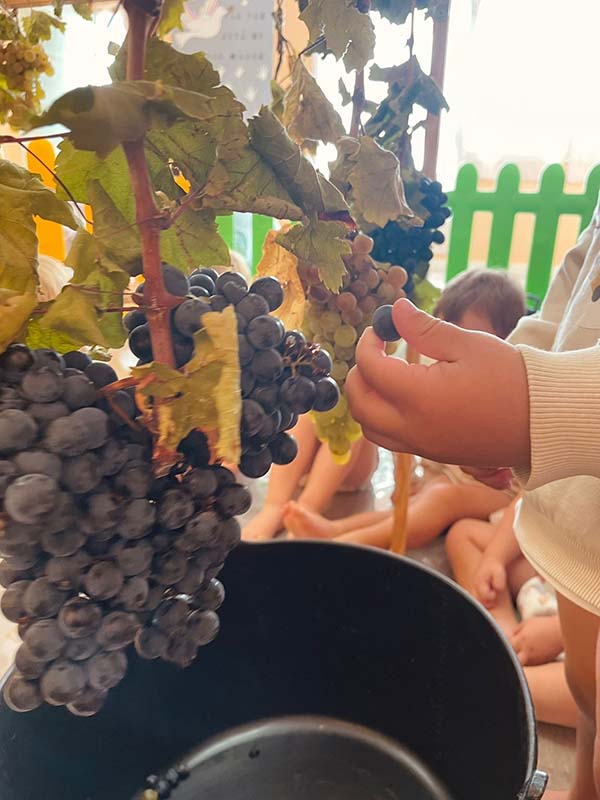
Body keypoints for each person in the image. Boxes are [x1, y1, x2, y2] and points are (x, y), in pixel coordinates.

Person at [346, 201, 600, 800]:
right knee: (586, 689)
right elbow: (575, 294)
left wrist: (538, 401)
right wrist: (525, 364)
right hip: (580, 524)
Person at [283, 269, 525, 550]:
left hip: (504, 492)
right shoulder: (445, 376)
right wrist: (412, 477)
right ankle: (335, 530)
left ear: (506, 342)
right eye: (450, 334)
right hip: (448, 480)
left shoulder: (504, 391)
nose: (454, 352)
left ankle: (347, 545)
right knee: (408, 506)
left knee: (441, 499)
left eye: (473, 339)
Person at [446, 497, 577, 729]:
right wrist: (494, 558)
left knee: (587, 695)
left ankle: (505, 678)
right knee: (465, 535)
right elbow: (529, 500)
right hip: (563, 579)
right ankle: (507, 637)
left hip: (589, 642)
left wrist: (561, 633)